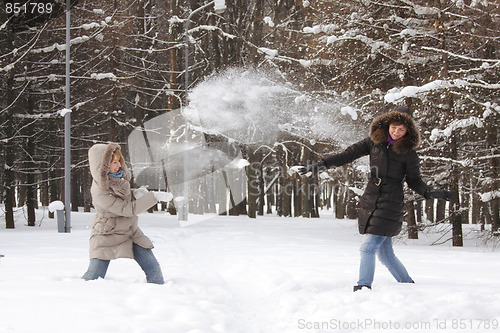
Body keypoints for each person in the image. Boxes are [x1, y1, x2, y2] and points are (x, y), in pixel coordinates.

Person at [298, 106, 452, 291]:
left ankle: (364, 286)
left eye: (402, 129)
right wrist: (321, 165)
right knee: (386, 255)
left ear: (407, 131)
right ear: (388, 124)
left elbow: (414, 180)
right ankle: (407, 284)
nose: (397, 132)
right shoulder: (373, 142)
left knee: (368, 247)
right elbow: (347, 154)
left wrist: (429, 192)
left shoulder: (408, 153)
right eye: (394, 127)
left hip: (391, 202)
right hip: (371, 197)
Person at [82, 142, 173, 284]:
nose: (119, 165)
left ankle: (159, 296)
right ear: (102, 166)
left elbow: (122, 197)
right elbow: (127, 209)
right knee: (94, 275)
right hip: (107, 234)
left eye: (119, 161)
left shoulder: (117, 180)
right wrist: (154, 197)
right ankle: (76, 295)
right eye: (114, 162)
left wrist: (135, 193)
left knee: (153, 269)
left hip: (130, 232)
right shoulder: (99, 191)